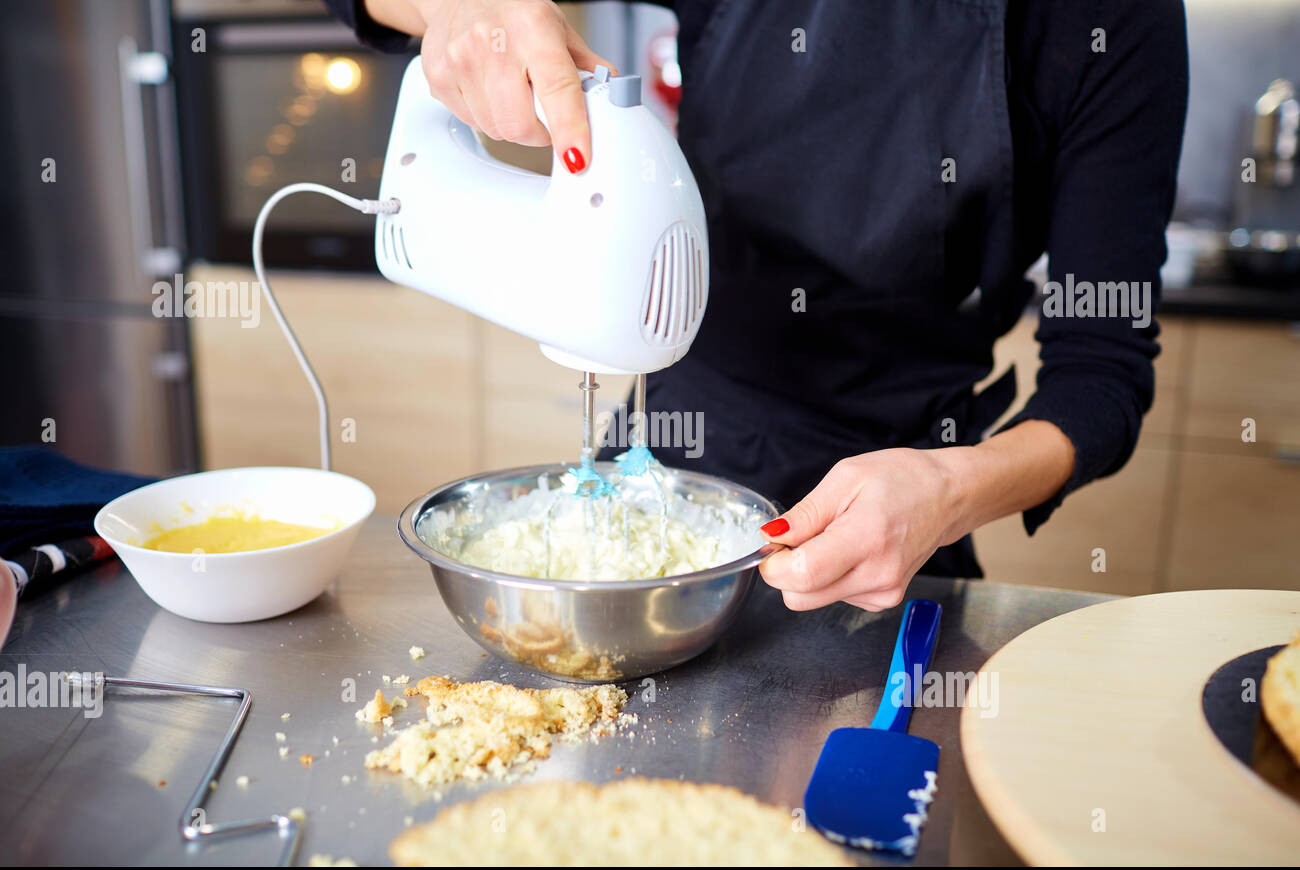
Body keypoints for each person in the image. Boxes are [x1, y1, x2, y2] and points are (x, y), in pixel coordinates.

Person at [324, 0, 1188, 611]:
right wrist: (454, 8)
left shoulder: (1109, 21)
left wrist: (948, 489)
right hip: (664, 476)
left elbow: (1100, 378)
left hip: (909, 513)